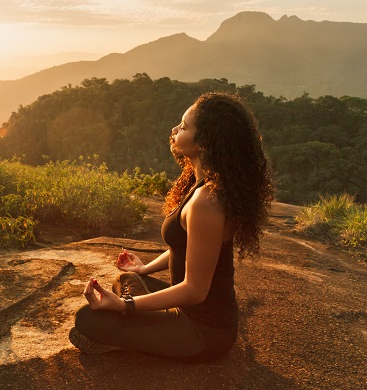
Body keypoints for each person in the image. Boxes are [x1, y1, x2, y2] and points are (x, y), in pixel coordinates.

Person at [69, 91, 273, 362]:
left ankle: (135, 338)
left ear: (204, 142)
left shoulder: (208, 201)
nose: (175, 130)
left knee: (87, 321)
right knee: (128, 279)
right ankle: (138, 332)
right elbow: (189, 246)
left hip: (204, 332)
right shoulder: (199, 184)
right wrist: (144, 268)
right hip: (185, 311)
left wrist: (124, 306)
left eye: (184, 126)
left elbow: (195, 291)